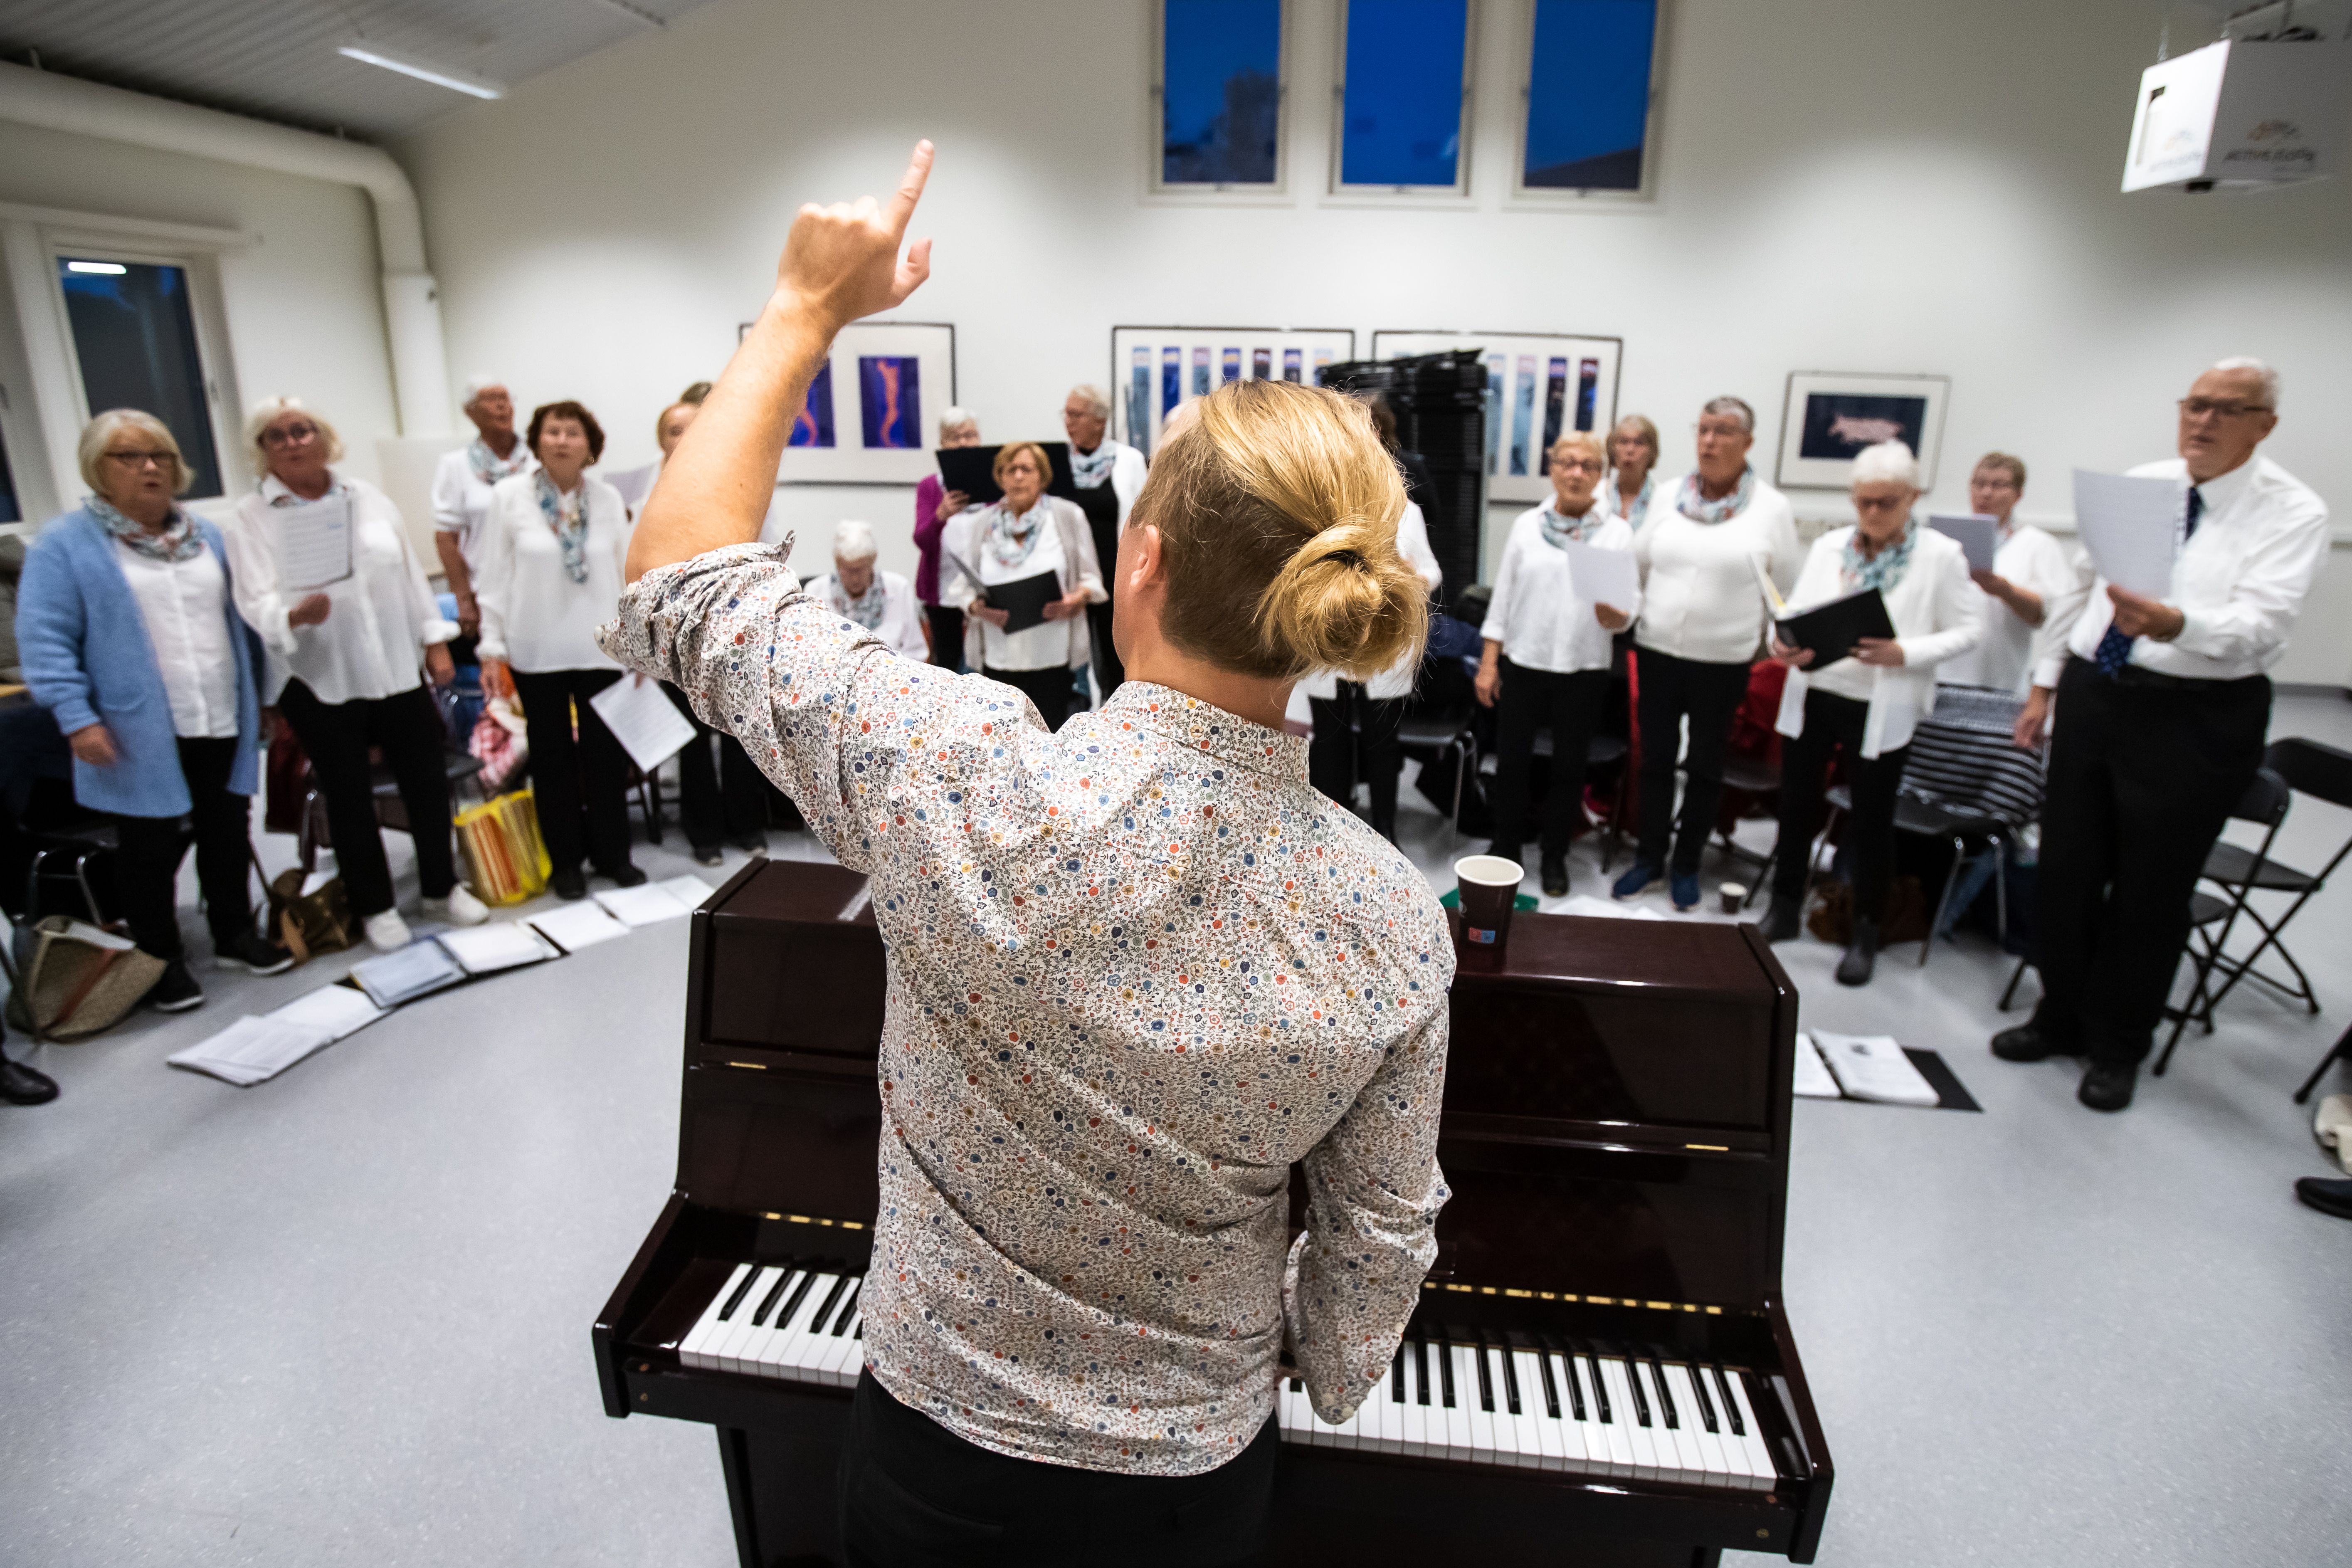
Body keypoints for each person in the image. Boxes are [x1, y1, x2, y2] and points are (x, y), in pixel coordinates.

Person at [610, 143, 1449, 1565]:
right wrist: (1325, 1369)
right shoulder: (1391, 914)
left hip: (942, 1453)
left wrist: (804, 311)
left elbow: (676, 585)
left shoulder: (953, 772)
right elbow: (1378, 1237)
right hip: (1195, 1477)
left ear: (1142, 564)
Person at [1994, 358, 2330, 1112]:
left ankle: (2118, 1045)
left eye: (2227, 410)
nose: (2203, 422)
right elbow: (2079, 592)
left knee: (2150, 889)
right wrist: (2045, 683)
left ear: (2264, 426)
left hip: (2193, 713)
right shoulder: (2143, 484)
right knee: (2068, 869)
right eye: (2195, 405)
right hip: (2096, 693)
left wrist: (2178, 624)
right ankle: (2059, 1015)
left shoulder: (2292, 511)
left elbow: (2263, 628)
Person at [17, 409, 294, 1011]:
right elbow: (46, 639)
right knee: (149, 846)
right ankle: (158, 958)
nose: (150, 467)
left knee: (227, 827)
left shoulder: (208, 536)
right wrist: (77, 717)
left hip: (219, 709)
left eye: (160, 455)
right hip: (135, 724)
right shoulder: (64, 545)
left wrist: (264, 698)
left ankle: (233, 932)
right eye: (129, 456)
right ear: (97, 468)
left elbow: (242, 621)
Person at [225, 398, 490, 951]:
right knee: (348, 798)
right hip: (319, 678)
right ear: (262, 451)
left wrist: (434, 644)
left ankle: (442, 888)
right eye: (278, 436)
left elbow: (411, 576)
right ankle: (376, 905)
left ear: (324, 438)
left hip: (396, 667)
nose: (294, 441)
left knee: (426, 783)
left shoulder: (365, 497)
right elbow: (252, 598)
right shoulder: (250, 516)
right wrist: (291, 615)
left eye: (303, 430)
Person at [1760, 442, 1980, 983]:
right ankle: (1785, 906)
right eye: (1863, 502)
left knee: (1872, 819)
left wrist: (1905, 652)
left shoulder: (1941, 555)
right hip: (1819, 689)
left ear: (1912, 497)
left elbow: (1971, 630)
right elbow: (1797, 609)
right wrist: (1781, 641)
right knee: (1794, 803)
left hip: (1881, 703)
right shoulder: (1832, 545)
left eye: (1886, 502)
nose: (1873, 513)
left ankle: (1866, 928)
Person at [1615, 396, 1803, 911]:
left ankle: (1687, 865)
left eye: (1722, 431)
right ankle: (1649, 858)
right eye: (1702, 429)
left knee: (1703, 765)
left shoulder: (1771, 509)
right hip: (1656, 650)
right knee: (1653, 759)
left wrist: (1773, 644)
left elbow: (1782, 588)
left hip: (1723, 660)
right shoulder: (1669, 495)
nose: (1708, 441)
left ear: (1747, 442)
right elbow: (1639, 565)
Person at [474, 400, 644, 901]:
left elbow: (624, 572)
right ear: (537, 441)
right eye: (553, 431)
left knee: (604, 759)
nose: (563, 441)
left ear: (590, 446)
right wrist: (490, 645)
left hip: (599, 649)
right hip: (536, 650)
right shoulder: (509, 496)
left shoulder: (609, 498)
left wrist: (635, 645)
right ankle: (565, 863)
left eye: (574, 433)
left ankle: (613, 855)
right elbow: (494, 576)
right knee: (550, 761)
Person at [1477, 432, 1639, 896]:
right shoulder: (1528, 525)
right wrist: (1489, 663)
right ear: (1552, 468)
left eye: (1587, 465)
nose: (1576, 473)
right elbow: (1502, 599)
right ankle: (1505, 847)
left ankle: (1553, 856)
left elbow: (1630, 604)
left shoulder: (1616, 533)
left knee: (1568, 769)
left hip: (1583, 668)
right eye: (1567, 463)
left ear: (1599, 474)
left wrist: (1618, 615)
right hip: (1524, 662)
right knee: (1512, 763)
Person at [644, 397, 772, 864]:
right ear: (662, 439)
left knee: (738, 736)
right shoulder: (645, 496)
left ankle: (746, 824)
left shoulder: (732, 482)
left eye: (694, 428)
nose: (685, 437)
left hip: (730, 631)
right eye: (675, 430)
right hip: (675, 636)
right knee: (693, 740)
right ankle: (704, 834)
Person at [1301, 492, 1442, 843]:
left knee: (1382, 743)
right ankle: (1327, 830)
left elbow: (1431, 571)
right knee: (1329, 741)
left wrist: (1414, 579)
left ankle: (1384, 829)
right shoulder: (1319, 501)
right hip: (1331, 641)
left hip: (1384, 641)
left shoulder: (1406, 511)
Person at [941, 442, 1103, 731]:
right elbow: (962, 589)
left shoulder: (1068, 516)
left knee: (1049, 740)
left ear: (1042, 476)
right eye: (1010, 470)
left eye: (1026, 469)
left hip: (1052, 658)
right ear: (999, 477)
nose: (1018, 477)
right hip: (997, 658)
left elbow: (1092, 581)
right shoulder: (981, 523)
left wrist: (1075, 600)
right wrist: (979, 608)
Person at [1936, 452, 2071, 693]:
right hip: (1937, 673)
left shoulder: (2037, 544)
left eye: (1998, 486)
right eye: (1979, 484)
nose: (1986, 493)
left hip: (1997, 679)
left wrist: (2006, 591)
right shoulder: (1944, 539)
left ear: (2018, 495)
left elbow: (2048, 614)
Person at [429, 377, 535, 649]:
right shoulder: (455, 465)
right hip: (486, 591)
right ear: (470, 412)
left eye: (506, 398)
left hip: (538, 586)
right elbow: (445, 537)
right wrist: (463, 598)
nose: (501, 406)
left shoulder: (538, 458)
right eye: (490, 399)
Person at [1062, 383, 1148, 699]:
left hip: (1115, 576)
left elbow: (1143, 518)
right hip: (1071, 582)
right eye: (1066, 414)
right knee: (1071, 662)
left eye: (1076, 414)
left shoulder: (1128, 460)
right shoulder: (1057, 462)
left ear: (1099, 421)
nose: (1068, 422)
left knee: (1114, 660)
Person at [911, 407, 979, 672]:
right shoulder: (929, 486)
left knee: (982, 668)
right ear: (942, 444)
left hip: (982, 592)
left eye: (970, 435)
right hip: (941, 592)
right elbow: (922, 542)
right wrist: (941, 515)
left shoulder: (997, 484)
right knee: (947, 667)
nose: (963, 442)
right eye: (954, 437)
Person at [817, 519, 928, 662]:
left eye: (861, 569)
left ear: (873, 561)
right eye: (849, 570)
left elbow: (917, 653)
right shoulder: (817, 591)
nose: (855, 578)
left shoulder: (899, 588)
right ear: (837, 563)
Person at [1604, 413, 1661, 529]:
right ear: (1612, 449)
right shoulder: (1597, 494)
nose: (1630, 450)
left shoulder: (1662, 498)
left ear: (1652, 452)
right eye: (1624, 442)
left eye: (1640, 443)